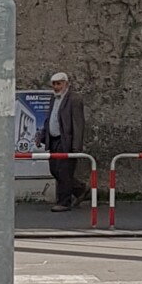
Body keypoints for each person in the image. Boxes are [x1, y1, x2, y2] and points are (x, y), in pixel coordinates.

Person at [36, 72, 86, 212]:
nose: (56, 87)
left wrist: (76, 147)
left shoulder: (74, 99)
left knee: (64, 171)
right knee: (54, 170)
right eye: (54, 84)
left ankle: (64, 202)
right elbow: (50, 119)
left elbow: (78, 124)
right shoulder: (54, 99)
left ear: (66, 83)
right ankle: (79, 189)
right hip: (54, 140)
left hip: (66, 141)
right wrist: (42, 135)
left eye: (59, 83)